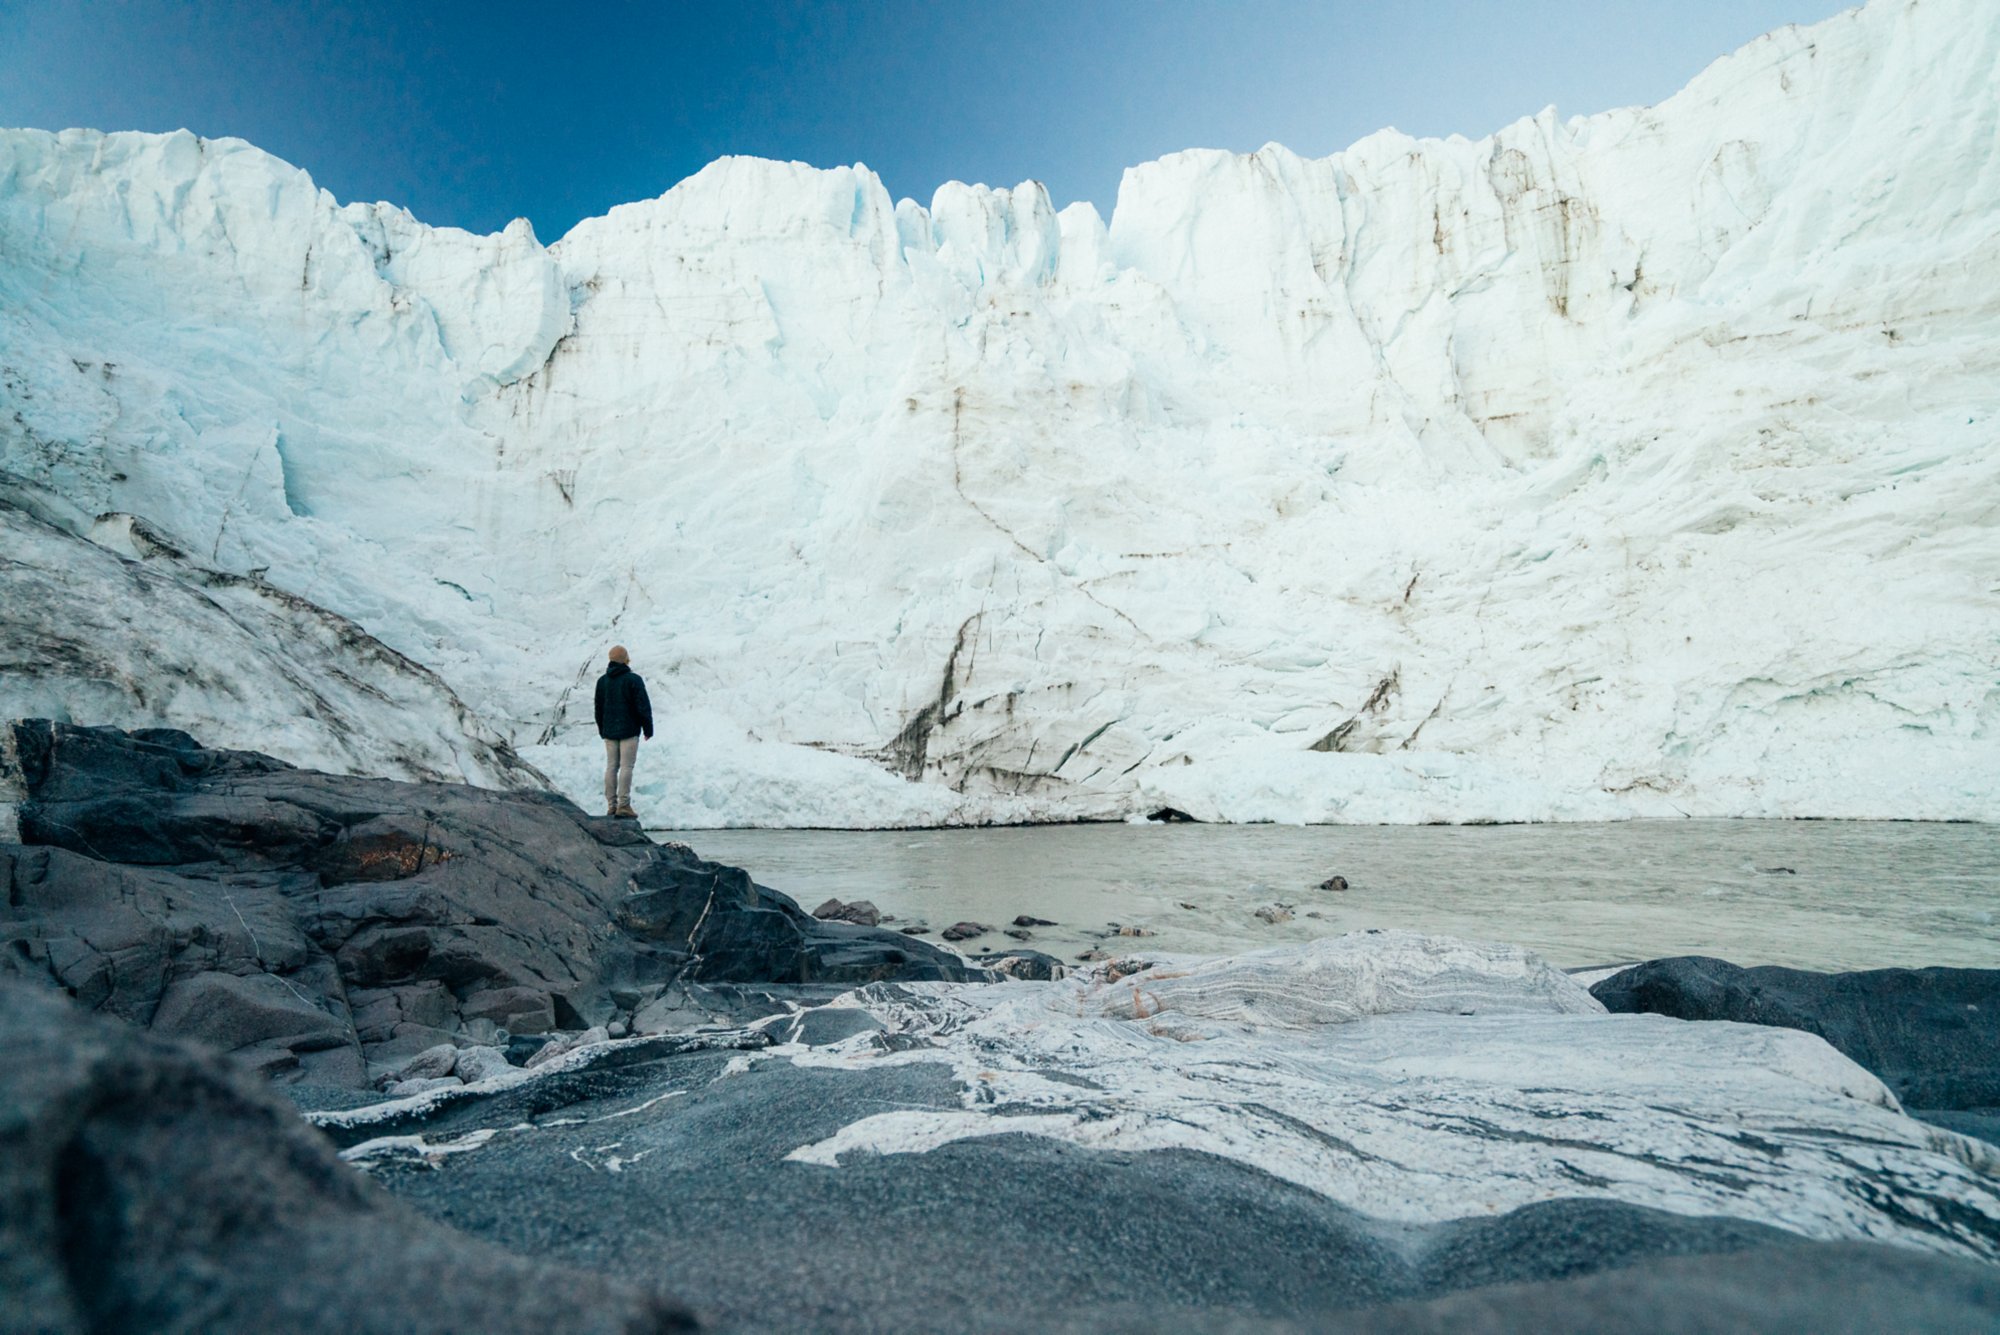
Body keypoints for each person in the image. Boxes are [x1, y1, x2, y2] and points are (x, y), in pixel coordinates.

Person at [593, 645, 653, 818]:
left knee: (611, 766)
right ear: (625, 659)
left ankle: (611, 805)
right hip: (629, 730)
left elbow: (598, 708)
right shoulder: (633, 680)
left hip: (609, 731)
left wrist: (602, 729)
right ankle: (624, 805)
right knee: (627, 766)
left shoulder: (602, 681)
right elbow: (643, 706)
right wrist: (648, 728)